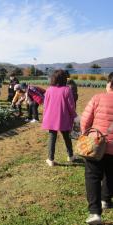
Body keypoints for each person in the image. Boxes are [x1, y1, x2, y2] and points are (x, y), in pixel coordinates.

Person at [80, 72, 113, 224]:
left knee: (92, 176)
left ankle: (95, 213)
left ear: (109, 84)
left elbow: (85, 120)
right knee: (111, 174)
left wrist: (85, 135)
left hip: (96, 144)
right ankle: (106, 200)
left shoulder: (98, 98)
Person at [42, 69, 77, 167]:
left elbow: (45, 105)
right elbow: (71, 106)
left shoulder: (49, 90)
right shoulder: (67, 89)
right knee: (67, 137)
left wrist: (45, 117)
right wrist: (74, 116)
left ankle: (50, 159)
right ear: (64, 79)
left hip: (50, 118)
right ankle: (70, 156)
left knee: (52, 138)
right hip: (63, 118)